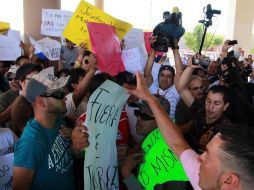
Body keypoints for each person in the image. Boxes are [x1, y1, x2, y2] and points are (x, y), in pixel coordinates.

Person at [127, 72, 254, 190]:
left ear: (229, 180)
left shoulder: (225, 129)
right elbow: (177, 142)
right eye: (208, 101)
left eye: (208, 155)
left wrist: (127, 176)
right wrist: (150, 99)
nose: (198, 158)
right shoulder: (200, 112)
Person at [13, 72, 78, 190]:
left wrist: (75, 142)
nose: (64, 97)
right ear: (41, 101)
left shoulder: (58, 122)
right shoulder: (31, 142)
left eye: (64, 92)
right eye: (59, 94)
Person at [121, 94, 188, 190]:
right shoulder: (145, 144)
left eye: (144, 116)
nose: (138, 118)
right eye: (137, 113)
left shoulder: (170, 156)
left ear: (161, 120)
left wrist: (127, 173)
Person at [176, 59, 231, 153]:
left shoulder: (227, 130)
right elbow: (182, 89)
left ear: (225, 106)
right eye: (208, 101)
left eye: (216, 103)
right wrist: (190, 67)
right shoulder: (200, 110)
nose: (210, 107)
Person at [144, 36, 182, 119]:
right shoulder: (152, 86)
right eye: (162, 75)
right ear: (158, 77)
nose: (165, 79)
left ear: (173, 79)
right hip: (150, 127)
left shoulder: (176, 90)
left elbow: (179, 72)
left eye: (169, 76)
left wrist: (175, 48)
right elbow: (147, 73)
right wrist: (154, 48)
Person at [11, 63, 42, 137]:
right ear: (22, 82)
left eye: (39, 78)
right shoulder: (20, 107)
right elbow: (33, 135)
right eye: (33, 79)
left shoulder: (36, 98)